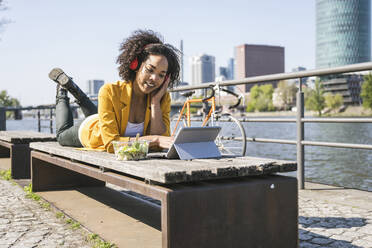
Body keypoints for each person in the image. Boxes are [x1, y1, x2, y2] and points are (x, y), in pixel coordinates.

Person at [49, 29, 180, 153]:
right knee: (61, 135)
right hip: (92, 131)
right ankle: (63, 91)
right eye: (150, 70)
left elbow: (162, 143)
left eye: (161, 75)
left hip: (106, 120)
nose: (154, 78)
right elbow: (112, 144)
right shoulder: (110, 91)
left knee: (97, 114)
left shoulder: (162, 98)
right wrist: (154, 140)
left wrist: (155, 103)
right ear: (135, 65)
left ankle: (75, 90)